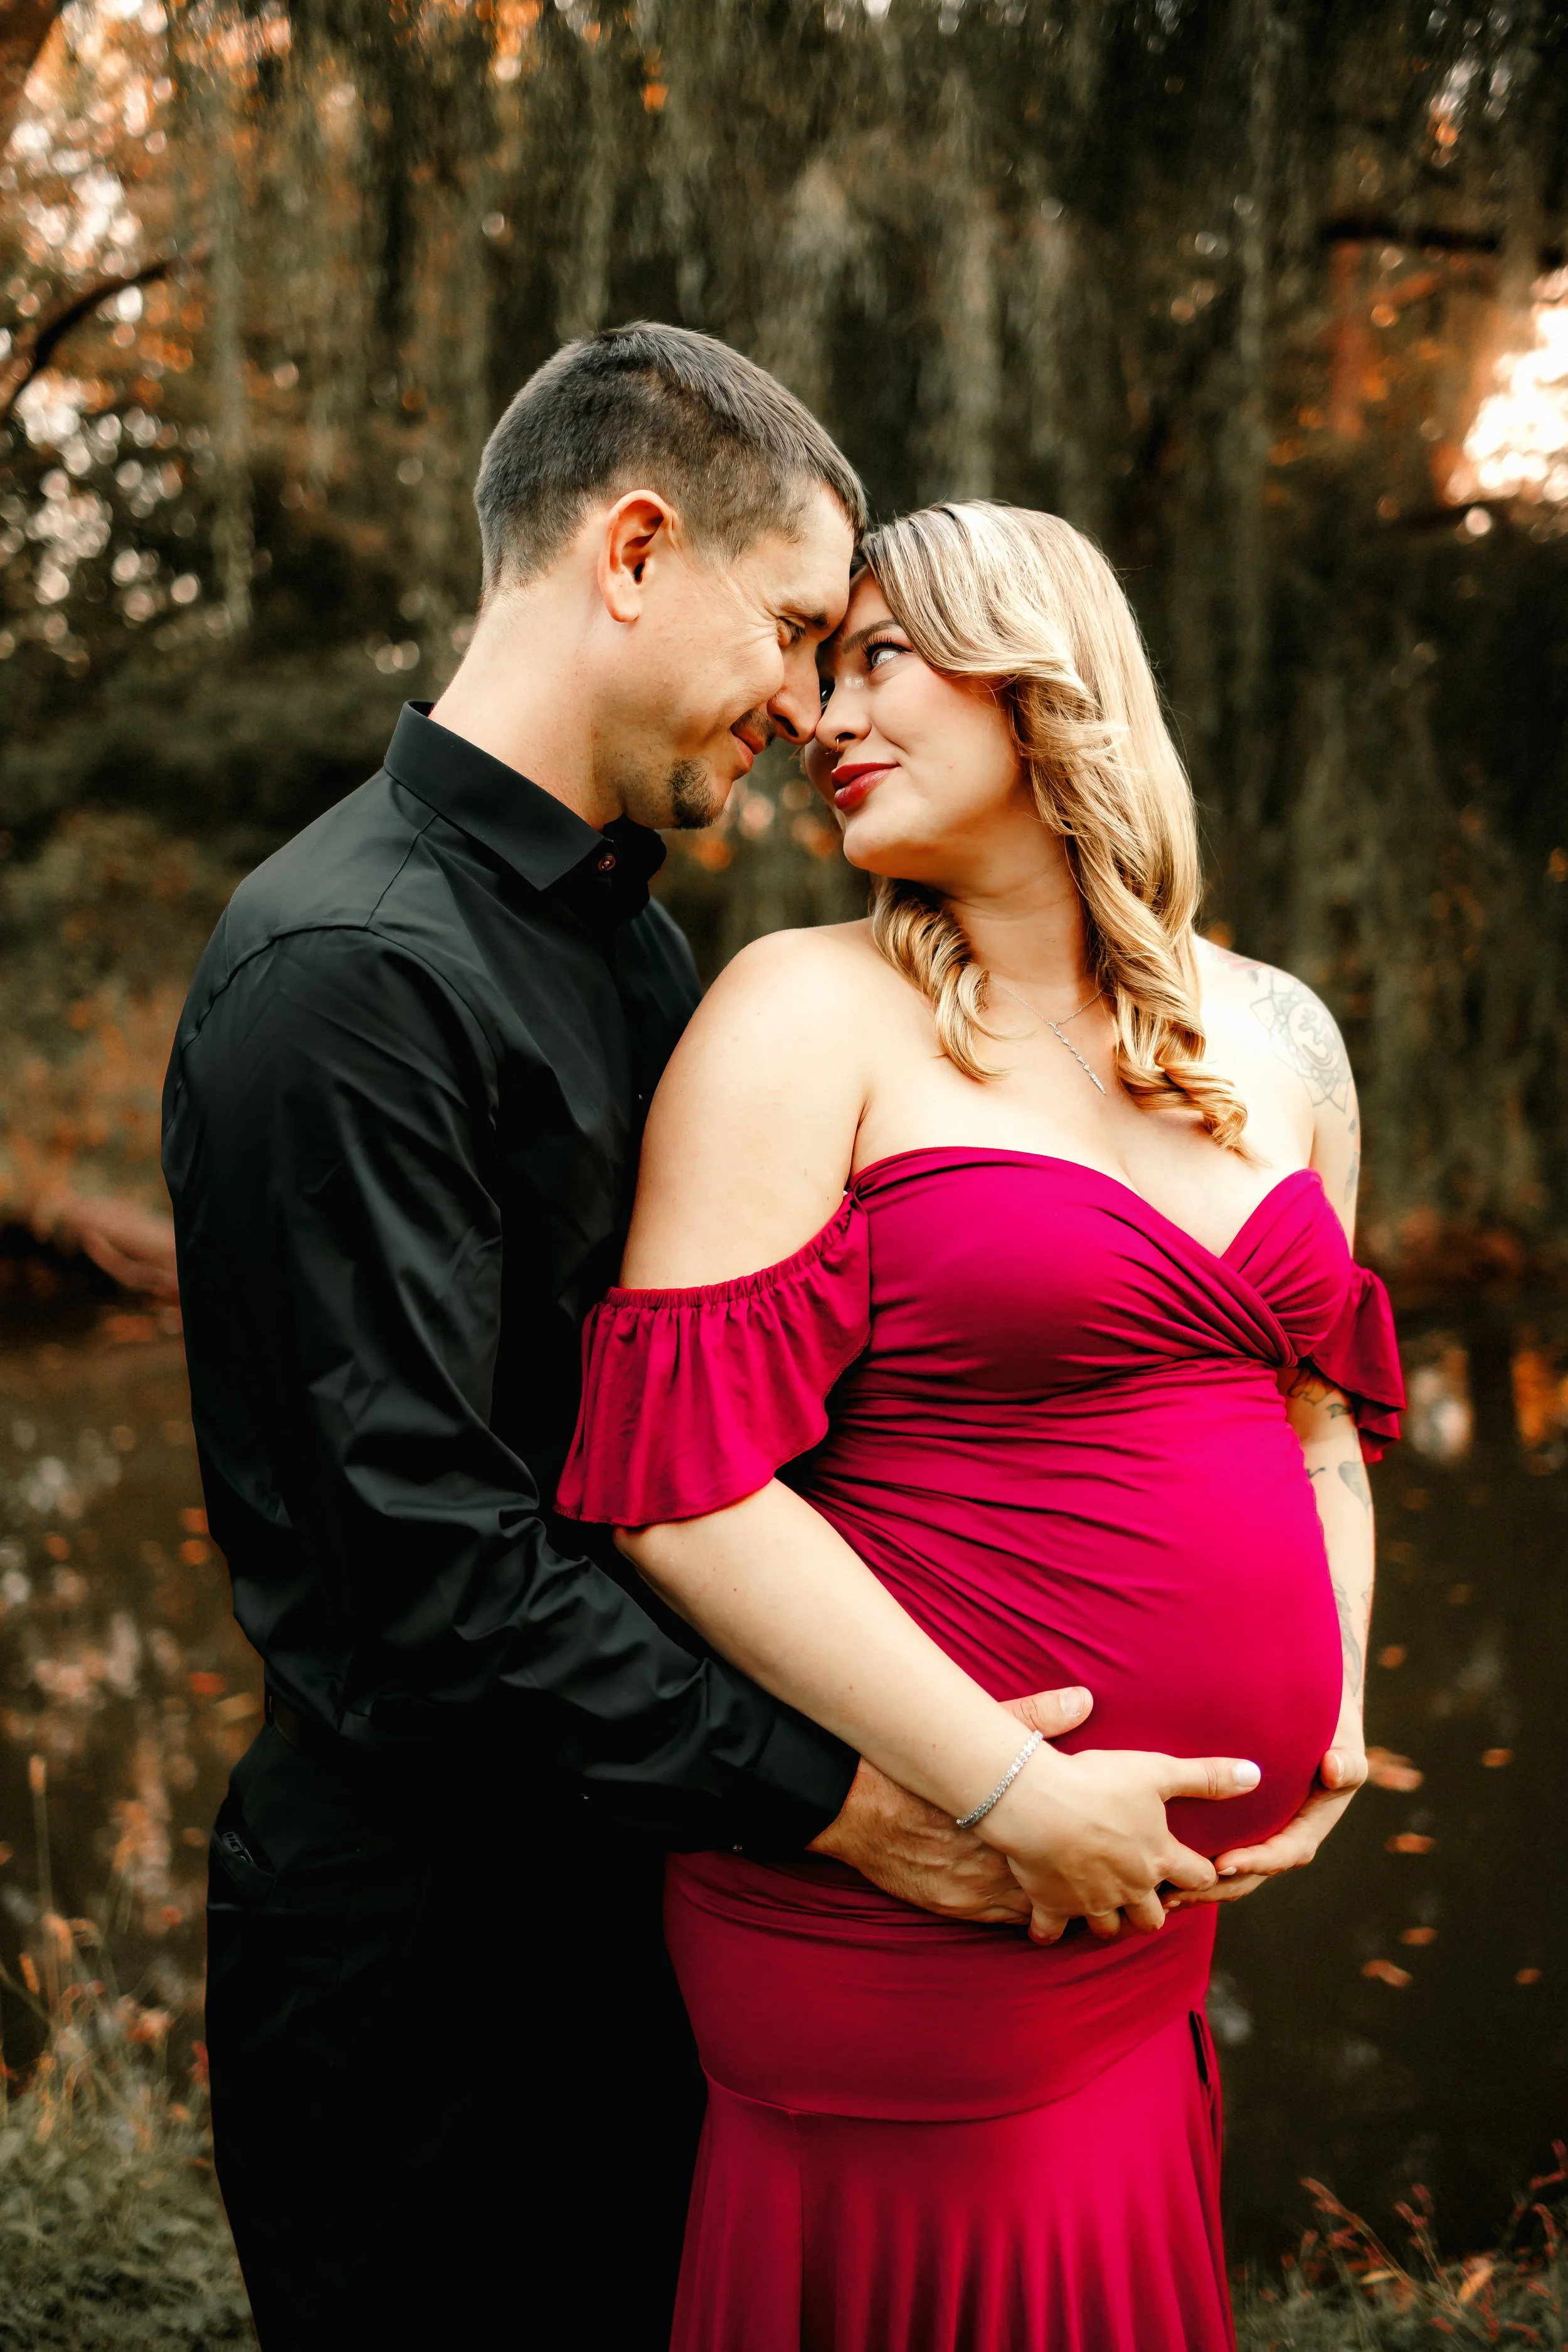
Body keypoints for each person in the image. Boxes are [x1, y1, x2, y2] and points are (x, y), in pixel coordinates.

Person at [160, 333, 1094, 2349]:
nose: (806, 700)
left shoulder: (634, 936)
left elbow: (715, 1412)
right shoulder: (349, 971)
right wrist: (857, 1798)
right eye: (789, 629)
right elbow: (421, 1564)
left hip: (656, 1906)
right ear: (634, 547)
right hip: (431, 1969)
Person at [557, 501, 1406, 2351]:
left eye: (874, 657)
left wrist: (1329, 1707)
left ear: (1041, 680)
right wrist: (1012, 1793)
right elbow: (685, 1499)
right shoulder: (802, 1010)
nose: (815, 708)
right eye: (813, 661)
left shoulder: (1276, 1038)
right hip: (918, 1901)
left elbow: (1315, 1429)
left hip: (1150, 1907)